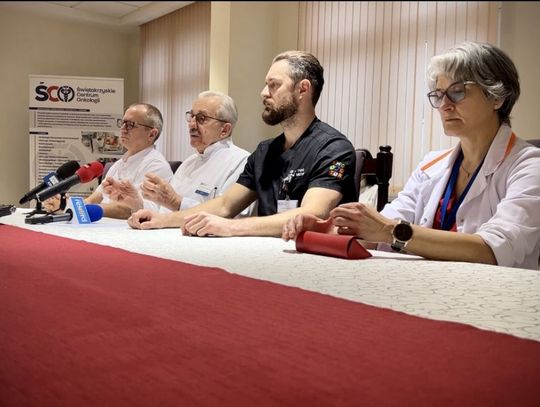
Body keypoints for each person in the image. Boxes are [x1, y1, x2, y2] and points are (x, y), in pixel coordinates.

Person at [283, 41, 540, 270]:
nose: (445, 105)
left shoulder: (529, 166)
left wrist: (388, 230)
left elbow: (493, 250)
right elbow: (386, 226)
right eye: (438, 95)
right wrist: (330, 229)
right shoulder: (432, 164)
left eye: (457, 91)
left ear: (496, 97)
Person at [128, 50, 357, 237]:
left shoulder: (333, 148)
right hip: (266, 252)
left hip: (312, 258)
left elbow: (312, 213)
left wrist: (231, 227)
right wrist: (162, 220)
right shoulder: (265, 151)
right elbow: (225, 205)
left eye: (273, 85)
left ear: (303, 89)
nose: (263, 93)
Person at [103, 91, 251, 214]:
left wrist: (177, 202)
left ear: (224, 129)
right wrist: (136, 203)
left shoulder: (240, 162)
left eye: (202, 119)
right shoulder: (189, 163)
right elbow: (162, 210)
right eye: (191, 116)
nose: (192, 125)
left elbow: (232, 215)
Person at [44, 103, 173, 219]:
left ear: (151, 134)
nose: (123, 128)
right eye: (122, 123)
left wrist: (76, 208)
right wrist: (65, 205)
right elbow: (93, 199)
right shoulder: (119, 164)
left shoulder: (156, 166)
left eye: (130, 125)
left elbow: (130, 209)